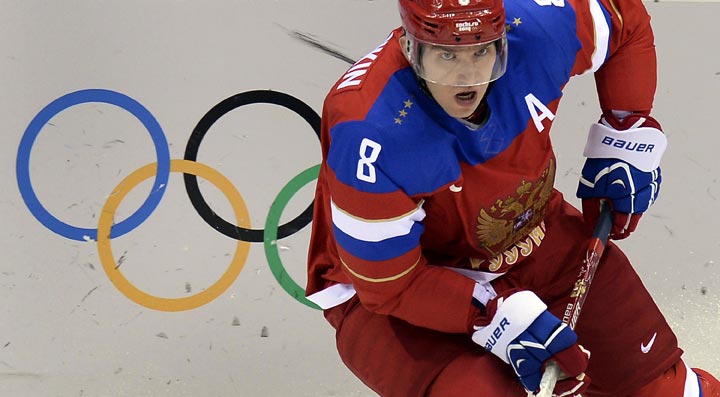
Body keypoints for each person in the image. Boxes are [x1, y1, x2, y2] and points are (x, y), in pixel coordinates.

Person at [305, 0, 720, 395]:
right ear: (411, 49)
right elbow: (389, 287)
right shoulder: (370, 129)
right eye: (447, 56)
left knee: (661, 388)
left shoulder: (537, 28)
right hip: (401, 293)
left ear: (503, 40)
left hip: (535, 236)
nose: (467, 77)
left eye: (481, 52)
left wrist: (627, 131)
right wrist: (493, 314)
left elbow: (624, 19)